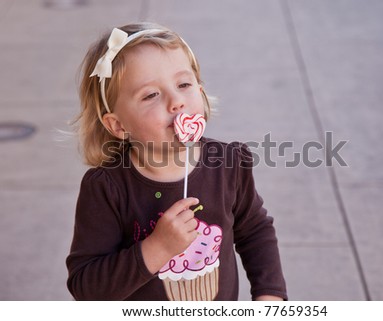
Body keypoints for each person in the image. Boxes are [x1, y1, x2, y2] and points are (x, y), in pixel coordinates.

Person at [66, 22, 287, 301]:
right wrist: (157, 248)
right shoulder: (107, 188)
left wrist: (270, 295)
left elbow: (255, 230)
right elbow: (86, 287)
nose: (176, 101)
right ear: (118, 125)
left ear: (201, 90)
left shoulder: (229, 164)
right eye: (151, 95)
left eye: (184, 84)